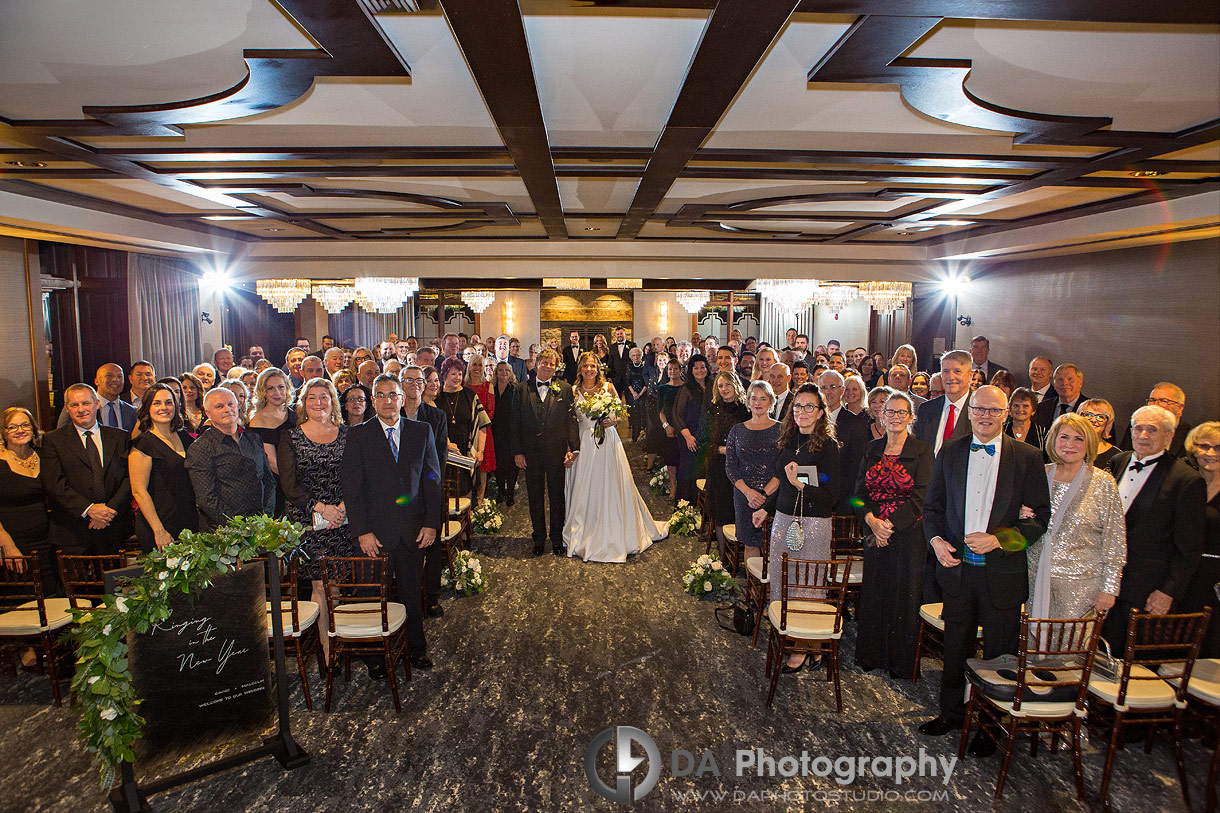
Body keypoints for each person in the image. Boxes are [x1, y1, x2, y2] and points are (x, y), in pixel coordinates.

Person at [918, 385, 1051, 753]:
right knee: (955, 648)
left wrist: (999, 539)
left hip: (1002, 576)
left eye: (994, 410)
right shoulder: (951, 451)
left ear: (1006, 413)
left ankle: (991, 728)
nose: (986, 416)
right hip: (958, 570)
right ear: (970, 411)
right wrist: (936, 542)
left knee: (999, 653)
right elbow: (932, 510)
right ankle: (951, 714)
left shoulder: (1028, 457)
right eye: (980, 409)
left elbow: (1040, 519)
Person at [342, 375, 442, 673]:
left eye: (393, 395)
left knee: (412, 593)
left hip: (413, 531)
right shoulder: (359, 435)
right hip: (374, 534)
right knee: (373, 595)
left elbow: (432, 480)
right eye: (381, 395)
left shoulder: (421, 431)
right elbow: (352, 489)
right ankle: (374, 657)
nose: (388, 401)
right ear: (374, 400)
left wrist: (431, 523)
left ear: (403, 398)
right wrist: (362, 532)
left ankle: (416, 648)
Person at [1104, 405, 1205, 647]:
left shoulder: (1186, 480)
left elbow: (1189, 549)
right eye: (1138, 429)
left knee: (1134, 659)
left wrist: (1168, 591)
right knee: (1100, 654)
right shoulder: (1118, 461)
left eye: (1152, 430)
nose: (1143, 436)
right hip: (1107, 584)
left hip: (1146, 589)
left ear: (1169, 436)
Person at [854, 392, 934, 678]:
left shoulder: (923, 451)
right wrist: (871, 521)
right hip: (874, 532)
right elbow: (858, 495)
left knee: (904, 597)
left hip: (908, 535)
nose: (896, 417)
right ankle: (871, 656)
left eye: (902, 412)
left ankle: (899, 663)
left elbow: (922, 497)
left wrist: (889, 526)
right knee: (874, 593)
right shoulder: (871, 449)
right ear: (881, 415)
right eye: (891, 412)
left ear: (911, 417)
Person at [763, 383, 842, 672]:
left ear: (821, 413)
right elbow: (782, 482)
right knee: (783, 578)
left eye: (810, 406)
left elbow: (833, 495)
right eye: (798, 406)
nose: (802, 412)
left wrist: (802, 486)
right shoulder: (788, 439)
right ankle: (794, 637)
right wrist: (765, 509)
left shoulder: (829, 447)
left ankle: (806, 646)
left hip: (815, 523)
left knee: (808, 583)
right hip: (784, 520)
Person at [563, 352, 667, 562]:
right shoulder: (573, 391)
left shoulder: (608, 388)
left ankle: (615, 530)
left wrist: (614, 421)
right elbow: (570, 422)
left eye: (592, 366)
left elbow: (619, 414)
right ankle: (586, 529)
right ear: (580, 369)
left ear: (598, 368)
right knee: (587, 488)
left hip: (608, 443)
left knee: (611, 485)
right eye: (585, 366)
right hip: (584, 444)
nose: (589, 369)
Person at [278, 377, 356, 658]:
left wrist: (344, 507)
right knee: (320, 584)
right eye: (312, 397)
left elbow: (358, 475)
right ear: (303, 403)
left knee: (337, 582)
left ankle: (340, 634)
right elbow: (289, 486)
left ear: (333, 400)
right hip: (308, 519)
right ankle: (327, 646)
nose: (318, 402)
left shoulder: (347, 434)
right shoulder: (291, 437)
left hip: (344, 518)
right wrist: (323, 508)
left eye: (324, 396)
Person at [1026, 414, 1126, 622]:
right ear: (1053, 440)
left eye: (1079, 438)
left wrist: (1109, 589)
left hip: (1080, 589)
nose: (1070, 444)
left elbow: (1115, 541)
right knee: (1030, 648)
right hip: (1032, 581)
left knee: (1069, 652)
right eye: (1064, 437)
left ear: (1089, 443)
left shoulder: (1104, 484)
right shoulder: (1037, 475)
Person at [41, 383, 132, 556]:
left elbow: (129, 478)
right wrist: (89, 509)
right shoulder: (53, 440)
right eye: (74, 405)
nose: (81, 409)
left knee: (117, 582)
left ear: (97, 404)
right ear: (67, 408)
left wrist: (109, 511)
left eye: (86, 403)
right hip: (73, 531)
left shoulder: (120, 436)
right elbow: (54, 484)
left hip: (115, 527)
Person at [511, 349, 580, 556]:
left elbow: (571, 421)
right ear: (536, 363)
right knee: (534, 496)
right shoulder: (521, 389)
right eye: (545, 362)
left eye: (552, 363)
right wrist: (517, 452)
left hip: (556, 452)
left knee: (557, 496)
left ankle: (557, 539)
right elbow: (514, 423)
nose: (548, 366)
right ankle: (539, 537)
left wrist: (573, 448)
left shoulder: (565, 389)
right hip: (530, 453)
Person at [186, 388, 277, 531]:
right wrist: (239, 527)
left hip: (261, 526)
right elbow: (207, 499)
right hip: (224, 532)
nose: (227, 409)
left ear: (238, 406)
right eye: (219, 406)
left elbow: (269, 481)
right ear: (208, 413)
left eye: (230, 404)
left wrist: (266, 517)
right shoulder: (201, 448)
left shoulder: (253, 439)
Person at [400, 366, 449, 619]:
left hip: (429, 490)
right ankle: (404, 597)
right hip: (399, 494)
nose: (414, 384)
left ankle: (431, 597)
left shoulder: (436, 416)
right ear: (400, 384)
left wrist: (427, 487)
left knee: (431, 545)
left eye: (418, 380)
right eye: (408, 380)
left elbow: (438, 458)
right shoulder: (391, 413)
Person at [129, 384, 198, 553]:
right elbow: (139, 491)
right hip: (159, 523)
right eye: (157, 403)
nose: (164, 408)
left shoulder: (185, 437)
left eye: (168, 402)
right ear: (147, 408)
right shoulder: (143, 443)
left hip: (188, 519)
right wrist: (158, 530)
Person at [725, 381, 782, 567]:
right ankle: (754, 590)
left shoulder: (782, 430)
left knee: (774, 545)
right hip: (744, 496)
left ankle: (772, 592)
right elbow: (731, 467)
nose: (757, 403)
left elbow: (783, 468)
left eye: (763, 398)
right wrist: (749, 492)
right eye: (753, 398)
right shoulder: (737, 430)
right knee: (750, 544)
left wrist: (765, 494)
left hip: (774, 496)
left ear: (771, 401)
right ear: (748, 401)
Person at [0, 408, 55, 598]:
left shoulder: (44, 456)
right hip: (13, 542)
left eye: (25, 425)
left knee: (52, 596)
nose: (20, 430)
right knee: (23, 600)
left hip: (46, 542)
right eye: (12, 427)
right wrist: (6, 544)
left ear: (33, 428)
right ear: (4, 432)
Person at [699, 372, 750, 558]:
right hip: (719, 467)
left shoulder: (746, 410)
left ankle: (741, 555)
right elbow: (703, 441)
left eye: (728, 384)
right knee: (721, 513)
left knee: (740, 511)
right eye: (721, 386)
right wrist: (722, 450)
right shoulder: (712, 410)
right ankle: (723, 558)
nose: (725, 389)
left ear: (736, 385)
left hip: (743, 468)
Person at [1182, 423, 1220, 657]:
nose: (1211, 453)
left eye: (1218, 447)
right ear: (1193, 449)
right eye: (1204, 446)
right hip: (1185, 573)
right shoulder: (1183, 481)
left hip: (1216, 579)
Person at [435, 357, 490, 500]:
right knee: (444, 495)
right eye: (453, 374)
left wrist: (480, 451)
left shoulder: (469, 395)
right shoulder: (436, 396)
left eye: (460, 374)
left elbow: (482, 425)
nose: (457, 377)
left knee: (465, 494)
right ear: (444, 374)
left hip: (465, 452)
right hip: (443, 454)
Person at [818, 369, 868, 513]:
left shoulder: (855, 423)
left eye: (833, 387)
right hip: (814, 497)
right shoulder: (810, 421)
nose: (828, 392)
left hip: (842, 501)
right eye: (824, 388)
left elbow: (856, 467)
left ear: (842, 390)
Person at [913, 350, 973, 457]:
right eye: (946, 371)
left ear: (970, 375)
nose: (950, 377)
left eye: (957, 371)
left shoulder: (979, 410)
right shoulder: (926, 409)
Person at [1118, 382, 1194, 459]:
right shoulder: (1136, 426)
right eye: (1152, 400)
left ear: (1180, 407)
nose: (1156, 405)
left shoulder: (1191, 435)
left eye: (1163, 401)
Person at [672, 354, 711, 505]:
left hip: (707, 437)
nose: (700, 371)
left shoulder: (713, 385)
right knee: (689, 471)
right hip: (690, 437)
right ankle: (686, 510)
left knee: (704, 472)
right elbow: (677, 415)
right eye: (696, 368)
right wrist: (688, 436)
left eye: (703, 367)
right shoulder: (686, 388)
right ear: (691, 370)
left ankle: (702, 512)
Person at [249, 368, 296, 482]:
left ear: (287, 388)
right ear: (263, 392)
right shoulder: (258, 422)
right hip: (278, 482)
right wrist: (297, 483)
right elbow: (272, 462)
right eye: (270, 388)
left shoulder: (296, 415)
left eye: (281, 387)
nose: (277, 393)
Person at [60, 363, 136, 431]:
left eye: (120, 376)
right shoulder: (76, 407)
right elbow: (62, 435)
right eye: (109, 375)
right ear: (96, 381)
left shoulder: (132, 411)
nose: (115, 379)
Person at [466, 354, 496, 505]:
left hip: (484, 430)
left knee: (483, 468)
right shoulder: (464, 386)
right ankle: (468, 499)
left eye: (480, 365)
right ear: (469, 366)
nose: (477, 368)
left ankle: (481, 499)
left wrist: (478, 424)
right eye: (474, 365)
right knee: (469, 465)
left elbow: (490, 411)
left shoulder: (488, 385)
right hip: (468, 431)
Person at [655, 357, 685, 501]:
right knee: (671, 461)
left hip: (684, 428)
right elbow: (660, 411)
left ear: (680, 370)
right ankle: (673, 487)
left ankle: (683, 487)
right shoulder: (663, 388)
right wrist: (667, 426)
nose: (673, 371)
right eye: (670, 369)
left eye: (675, 369)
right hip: (669, 429)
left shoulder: (685, 387)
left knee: (682, 460)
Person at [490, 361, 519, 506]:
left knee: (511, 464)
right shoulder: (491, 389)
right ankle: (501, 490)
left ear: (511, 373)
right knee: (499, 464)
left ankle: (510, 493)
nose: (503, 373)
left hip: (511, 432)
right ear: (496, 373)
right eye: (500, 370)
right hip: (495, 432)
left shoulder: (515, 390)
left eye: (506, 370)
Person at [1035, 364, 1089, 429]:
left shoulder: (1089, 409)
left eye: (1070, 379)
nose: (1065, 383)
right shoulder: (1042, 407)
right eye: (1060, 379)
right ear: (1054, 384)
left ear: (1080, 383)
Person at [1078, 398, 1120, 469]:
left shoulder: (1116, 456)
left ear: (1108, 422)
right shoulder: (1068, 447)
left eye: (1100, 417)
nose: (1093, 420)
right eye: (1088, 415)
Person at [625, 347, 648, 443]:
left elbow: (647, 381)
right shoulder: (629, 366)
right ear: (631, 357)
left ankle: (643, 438)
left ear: (641, 356)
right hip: (632, 394)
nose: (636, 357)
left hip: (643, 393)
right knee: (634, 415)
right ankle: (635, 438)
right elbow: (627, 381)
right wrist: (633, 393)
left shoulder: (644, 366)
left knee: (643, 415)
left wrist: (640, 393)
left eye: (638, 355)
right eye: (633, 355)